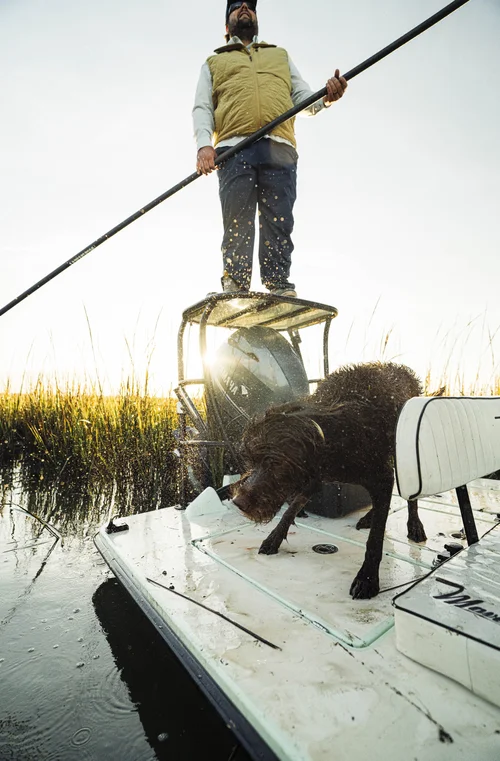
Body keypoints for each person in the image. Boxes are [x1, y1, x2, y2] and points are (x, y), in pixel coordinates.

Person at [193, 0, 348, 297]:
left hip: (280, 147)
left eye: (250, 6)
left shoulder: (279, 55)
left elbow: (303, 99)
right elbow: (203, 107)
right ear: (227, 25)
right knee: (237, 219)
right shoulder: (214, 62)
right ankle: (236, 284)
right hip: (234, 149)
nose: (244, 8)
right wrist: (204, 146)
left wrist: (326, 97)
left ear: (256, 18)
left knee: (279, 219)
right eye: (236, 6)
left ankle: (278, 284)